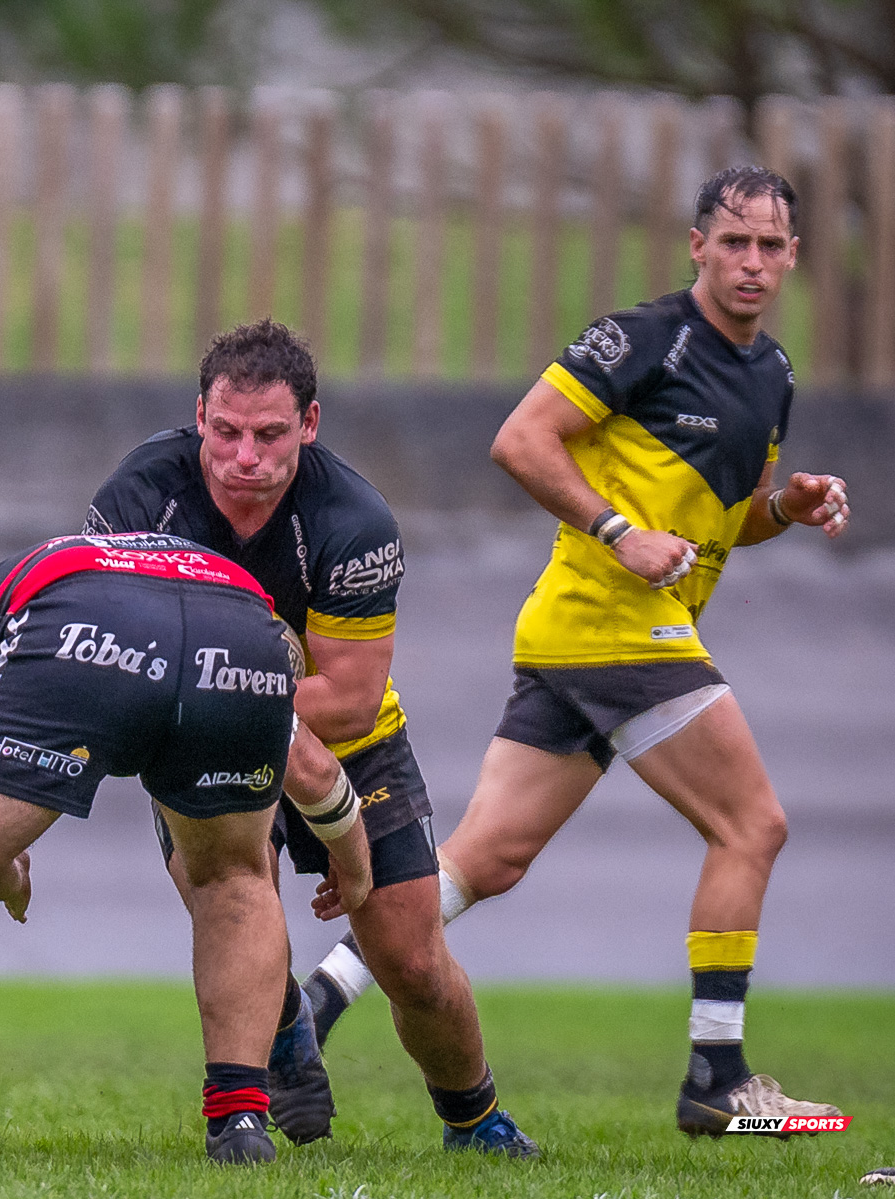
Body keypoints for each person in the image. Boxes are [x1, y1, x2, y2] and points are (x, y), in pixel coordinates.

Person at [294, 165, 849, 1138]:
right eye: (734, 242)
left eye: (770, 245)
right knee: (752, 824)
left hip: (582, 639)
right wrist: (615, 528)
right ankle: (716, 1073)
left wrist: (785, 509)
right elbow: (520, 439)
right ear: (697, 246)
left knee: (486, 857)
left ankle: (316, 1003)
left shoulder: (773, 373)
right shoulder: (643, 338)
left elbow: (730, 519)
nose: (752, 261)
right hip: (616, 625)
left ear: (793, 255)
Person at [83, 320, 537, 1157]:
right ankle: (284, 1018)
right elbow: (112, 657)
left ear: (311, 424)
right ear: (199, 417)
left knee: (411, 960)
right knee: (232, 905)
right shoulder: (140, 497)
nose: (244, 456)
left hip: (347, 744)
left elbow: (351, 700)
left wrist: (209, 689)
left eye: (269, 435)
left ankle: (475, 1119)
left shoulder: (353, 520)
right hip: (202, 745)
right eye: (225, 432)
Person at [0, 532, 361, 1166]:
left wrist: (5, 878)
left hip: (86, 629)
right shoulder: (89, 563)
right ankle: (239, 1121)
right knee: (233, 878)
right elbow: (313, 770)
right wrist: (358, 867)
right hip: (241, 625)